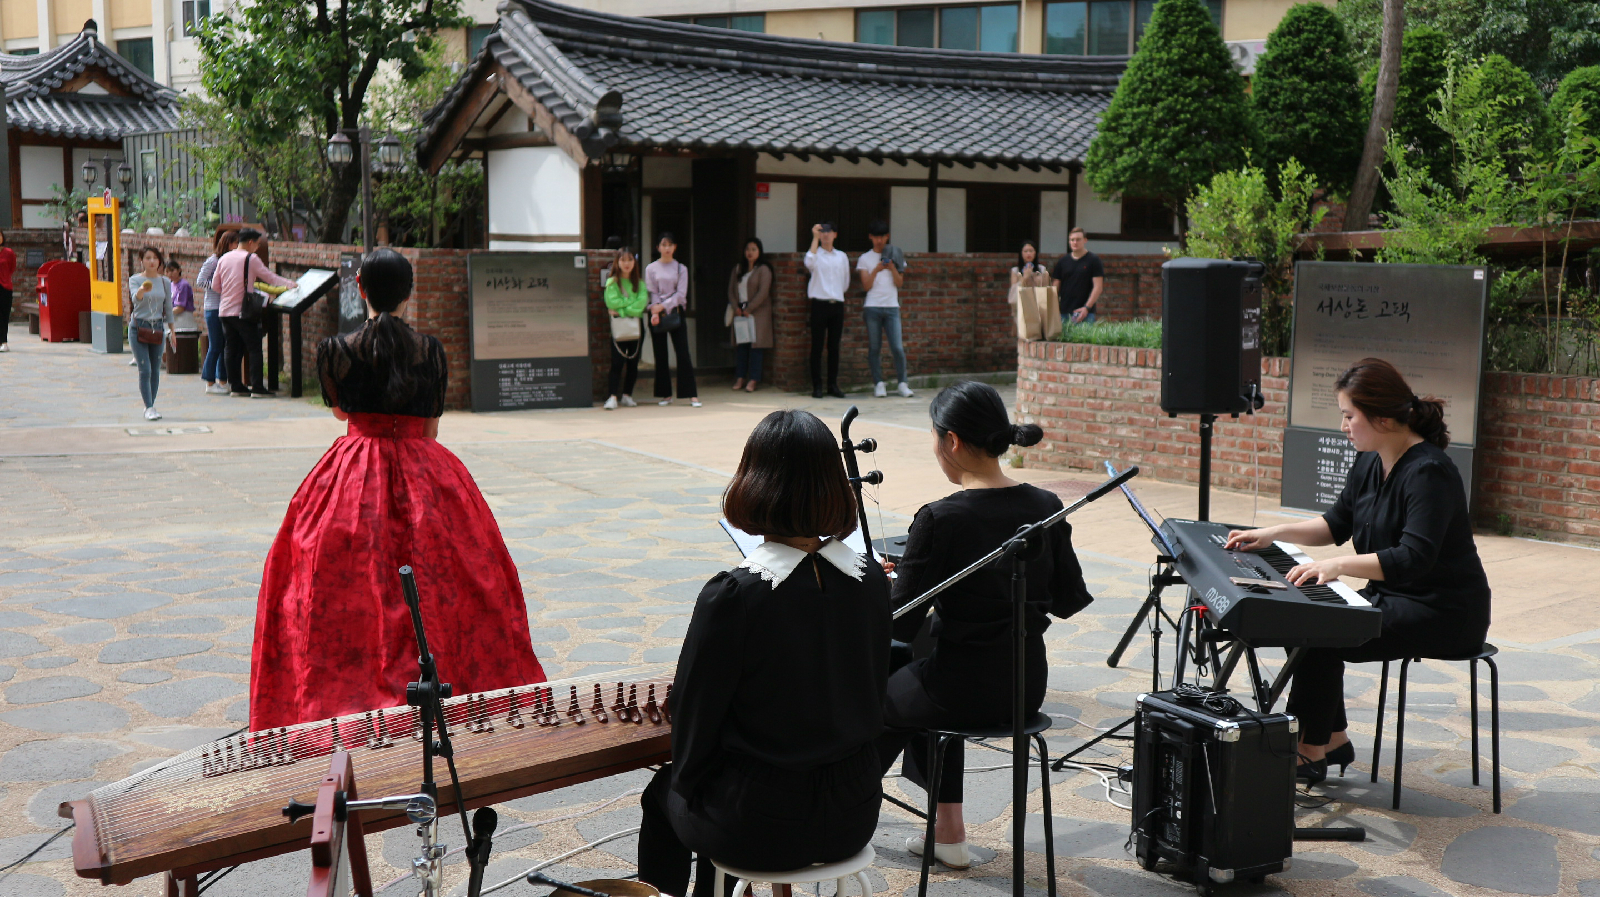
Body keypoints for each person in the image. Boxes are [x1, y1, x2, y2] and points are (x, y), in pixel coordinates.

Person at [249, 248, 547, 731]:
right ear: (410, 293)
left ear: (361, 289)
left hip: (352, 476)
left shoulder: (336, 350)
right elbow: (429, 431)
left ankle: (339, 702)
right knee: (447, 583)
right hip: (428, 476)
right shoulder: (430, 352)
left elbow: (344, 416)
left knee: (342, 587)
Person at [637, 409, 890, 897]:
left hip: (759, 824)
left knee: (663, 793)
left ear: (754, 483)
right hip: (854, 813)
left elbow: (695, 719)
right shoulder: (872, 580)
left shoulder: (735, 596)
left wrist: (689, 785)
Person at [1225, 357, 1490, 784]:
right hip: (1393, 597)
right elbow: (1335, 523)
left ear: (1381, 417)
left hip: (1444, 610)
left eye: (1350, 416)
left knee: (1323, 633)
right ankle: (1331, 740)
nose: (1344, 426)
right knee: (1318, 624)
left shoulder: (1430, 472)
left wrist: (1337, 566)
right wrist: (1272, 533)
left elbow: (1413, 557)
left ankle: (1309, 751)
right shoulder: (1370, 460)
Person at [876, 380, 1093, 869]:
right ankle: (948, 834)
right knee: (922, 669)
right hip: (1024, 689)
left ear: (950, 440)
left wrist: (881, 584)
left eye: (935, 439)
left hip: (958, 693)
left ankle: (835, 822)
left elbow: (899, 623)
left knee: (876, 694)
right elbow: (1068, 599)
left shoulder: (941, 518)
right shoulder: (1045, 508)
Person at [215, 228, 293, 397]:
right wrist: (290, 284)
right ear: (250, 242)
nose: (257, 247)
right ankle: (257, 387)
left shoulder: (224, 258)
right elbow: (270, 278)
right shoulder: (251, 258)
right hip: (243, 311)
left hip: (224, 311)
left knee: (231, 348)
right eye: (257, 243)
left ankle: (235, 386)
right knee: (255, 347)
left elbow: (215, 286)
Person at [857, 220, 913, 399]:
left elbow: (900, 283)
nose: (879, 241)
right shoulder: (865, 258)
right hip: (872, 307)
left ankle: (902, 383)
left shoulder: (896, 254)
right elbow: (866, 285)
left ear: (887, 237)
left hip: (891, 307)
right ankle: (878, 383)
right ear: (870, 237)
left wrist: (891, 268)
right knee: (874, 347)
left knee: (897, 347)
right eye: (875, 237)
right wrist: (876, 269)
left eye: (881, 237)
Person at [645, 233, 699, 407]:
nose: (667, 248)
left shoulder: (680, 268)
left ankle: (691, 394)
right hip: (656, 314)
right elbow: (652, 292)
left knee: (683, 353)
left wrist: (663, 306)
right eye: (663, 244)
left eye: (670, 244)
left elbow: (681, 295)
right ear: (658, 247)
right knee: (660, 355)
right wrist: (655, 311)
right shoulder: (651, 268)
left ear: (675, 247)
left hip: (676, 312)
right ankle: (665, 394)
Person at [126, 247, 175, 421]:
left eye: (155, 258)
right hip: (139, 327)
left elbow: (168, 307)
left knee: (155, 369)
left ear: (160, 262)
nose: (152, 261)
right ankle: (148, 407)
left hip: (157, 328)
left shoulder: (165, 282)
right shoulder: (135, 280)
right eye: (148, 258)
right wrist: (141, 292)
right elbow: (135, 299)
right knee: (144, 369)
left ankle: (151, 405)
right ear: (142, 261)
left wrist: (172, 330)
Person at [804, 221, 850, 399]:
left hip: (837, 304)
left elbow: (845, 282)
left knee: (834, 347)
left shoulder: (841, 256)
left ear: (835, 234)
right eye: (822, 232)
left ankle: (833, 384)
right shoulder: (816, 254)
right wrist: (814, 238)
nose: (826, 235)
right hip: (819, 304)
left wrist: (836, 294)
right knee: (817, 346)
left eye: (829, 232)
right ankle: (817, 385)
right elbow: (809, 262)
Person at [726, 237, 773, 393]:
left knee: (756, 348)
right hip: (740, 312)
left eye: (754, 249)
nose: (750, 253)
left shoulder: (763, 269)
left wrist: (750, 309)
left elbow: (763, 292)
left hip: (757, 314)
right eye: (748, 249)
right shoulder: (738, 268)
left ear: (759, 251)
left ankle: (753, 379)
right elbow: (731, 291)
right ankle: (740, 377)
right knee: (742, 347)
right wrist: (736, 307)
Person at [604, 245, 647, 410]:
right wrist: (630, 308)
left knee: (633, 363)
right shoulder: (612, 282)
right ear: (618, 262)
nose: (627, 263)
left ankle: (627, 395)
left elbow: (641, 304)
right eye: (623, 260)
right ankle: (612, 396)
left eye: (630, 260)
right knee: (616, 362)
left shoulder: (640, 283)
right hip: (619, 326)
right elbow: (611, 302)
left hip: (636, 326)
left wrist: (622, 309)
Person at [197, 230, 238, 395]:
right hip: (213, 308)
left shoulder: (229, 261)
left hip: (225, 308)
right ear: (228, 243)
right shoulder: (213, 261)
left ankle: (222, 380)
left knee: (224, 345)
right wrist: (217, 286)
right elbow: (200, 281)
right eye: (235, 243)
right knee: (215, 345)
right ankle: (209, 381)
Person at [1050, 227, 1103, 326]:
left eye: (1078, 239)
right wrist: (1053, 309)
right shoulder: (1062, 261)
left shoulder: (1094, 260)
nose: (1075, 242)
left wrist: (1087, 308)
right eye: (1072, 240)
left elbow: (1098, 287)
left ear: (1085, 240)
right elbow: (1055, 288)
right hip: (1064, 312)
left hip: (1085, 313)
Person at [1009, 240, 1050, 307]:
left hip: (1038, 305)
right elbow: (1014, 292)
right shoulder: (1015, 270)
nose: (1028, 253)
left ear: (1035, 253)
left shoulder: (1042, 269)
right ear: (1021, 253)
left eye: (1031, 251)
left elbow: (1047, 289)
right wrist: (1025, 278)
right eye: (1025, 251)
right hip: (1021, 305)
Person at [167, 259, 197, 334]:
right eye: (167, 271)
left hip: (184, 318)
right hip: (174, 317)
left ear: (179, 270)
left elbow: (180, 308)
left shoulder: (183, 285)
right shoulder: (171, 285)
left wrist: (166, 313)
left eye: (172, 270)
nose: (170, 274)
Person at [0, 230, 16, 353]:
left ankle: (4, 342)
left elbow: (12, 268)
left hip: (4, 287)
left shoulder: (8, 253)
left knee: (4, 315)